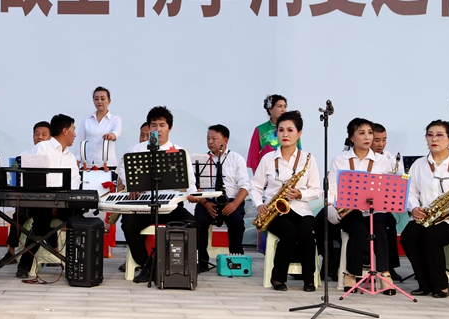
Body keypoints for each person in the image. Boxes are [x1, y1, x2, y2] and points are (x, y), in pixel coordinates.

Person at [119, 106, 197, 282]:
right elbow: (122, 170)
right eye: (154, 125)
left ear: (170, 128)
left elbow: (190, 183)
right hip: (144, 205)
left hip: (171, 205)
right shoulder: (136, 149)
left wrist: (193, 195)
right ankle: (147, 265)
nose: (158, 129)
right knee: (128, 224)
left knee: (191, 223)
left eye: (162, 125)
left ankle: (180, 266)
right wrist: (131, 185)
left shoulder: (179, 152)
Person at [250, 110, 321, 292]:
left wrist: (300, 194)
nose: (285, 134)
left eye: (290, 130)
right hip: (274, 211)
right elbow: (255, 187)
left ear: (299, 133)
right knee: (289, 232)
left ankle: (309, 279)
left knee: (306, 233)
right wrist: (259, 204)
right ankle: (278, 278)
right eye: (281, 130)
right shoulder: (268, 159)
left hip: (301, 208)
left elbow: (316, 190)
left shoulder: (308, 159)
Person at [326, 118, 395, 294]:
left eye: (370, 133)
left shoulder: (382, 161)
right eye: (362, 133)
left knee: (379, 226)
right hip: (350, 210)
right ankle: (351, 273)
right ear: (351, 137)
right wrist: (330, 206)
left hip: (375, 209)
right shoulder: (340, 159)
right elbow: (332, 187)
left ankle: (385, 274)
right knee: (358, 229)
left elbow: (387, 190)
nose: (367, 137)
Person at [16, 114, 81, 278]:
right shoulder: (43, 148)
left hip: (64, 203)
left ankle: (74, 263)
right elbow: (34, 179)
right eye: (73, 129)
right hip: (41, 202)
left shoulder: (70, 156)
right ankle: (24, 264)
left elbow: (75, 181)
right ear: (65, 131)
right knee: (41, 225)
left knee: (79, 220)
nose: (75, 134)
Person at [400, 120, 449, 298]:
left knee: (431, 238)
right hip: (428, 215)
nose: (434, 139)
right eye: (430, 135)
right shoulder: (418, 164)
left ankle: (440, 285)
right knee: (408, 237)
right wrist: (414, 207)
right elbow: (411, 192)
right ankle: (424, 283)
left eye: (439, 135)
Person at [193, 124, 250, 273]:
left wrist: (235, 204)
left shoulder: (237, 159)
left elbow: (245, 186)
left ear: (225, 140)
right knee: (199, 221)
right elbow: (194, 188)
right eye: (208, 138)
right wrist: (205, 203)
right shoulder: (200, 161)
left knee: (237, 221)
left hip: (231, 201)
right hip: (208, 201)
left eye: (214, 138)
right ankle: (202, 262)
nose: (210, 142)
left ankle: (236, 259)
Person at [0, 121, 52, 264]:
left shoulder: (53, 156)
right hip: (26, 198)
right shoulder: (23, 155)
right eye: (37, 134)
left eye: (44, 134)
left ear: (51, 137)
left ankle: (54, 252)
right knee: (19, 215)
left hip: (47, 200)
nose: (40, 137)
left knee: (45, 218)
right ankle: (11, 251)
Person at [371, 122, 404, 280]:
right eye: (377, 140)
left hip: (381, 207)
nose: (381, 144)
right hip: (360, 208)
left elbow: (401, 178)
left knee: (389, 222)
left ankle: (389, 267)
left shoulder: (391, 158)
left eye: (384, 140)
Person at [247, 94, 301, 173]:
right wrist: (259, 178)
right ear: (270, 109)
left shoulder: (292, 129)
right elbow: (253, 158)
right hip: (267, 173)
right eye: (279, 106)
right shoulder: (260, 130)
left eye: (285, 106)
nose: (283, 110)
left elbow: (298, 153)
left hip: (290, 172)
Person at [75, 87, 122, 169]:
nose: (99, 101)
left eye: (102, 99)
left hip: (107, 164)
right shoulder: (87, 119)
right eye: (96, 99)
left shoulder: (115, 119)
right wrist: (78, 158)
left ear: (109, 101)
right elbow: (80, 141)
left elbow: (116, 133)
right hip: (88, 163)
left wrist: (111, 136)